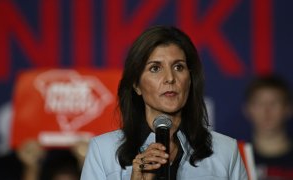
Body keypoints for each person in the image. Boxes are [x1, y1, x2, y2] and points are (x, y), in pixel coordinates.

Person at [80, 26, 247, 180]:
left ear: (190, 80)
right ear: (137, 85)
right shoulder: (103, 151)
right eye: (155, 68)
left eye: (178, 67)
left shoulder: (226, 151)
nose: (170, 78)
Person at [243, 75, 293, 179]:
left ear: (288, 109)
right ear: (247, 109)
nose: (266, 111)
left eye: (274, 103)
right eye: (259, 104)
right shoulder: (236, 158)